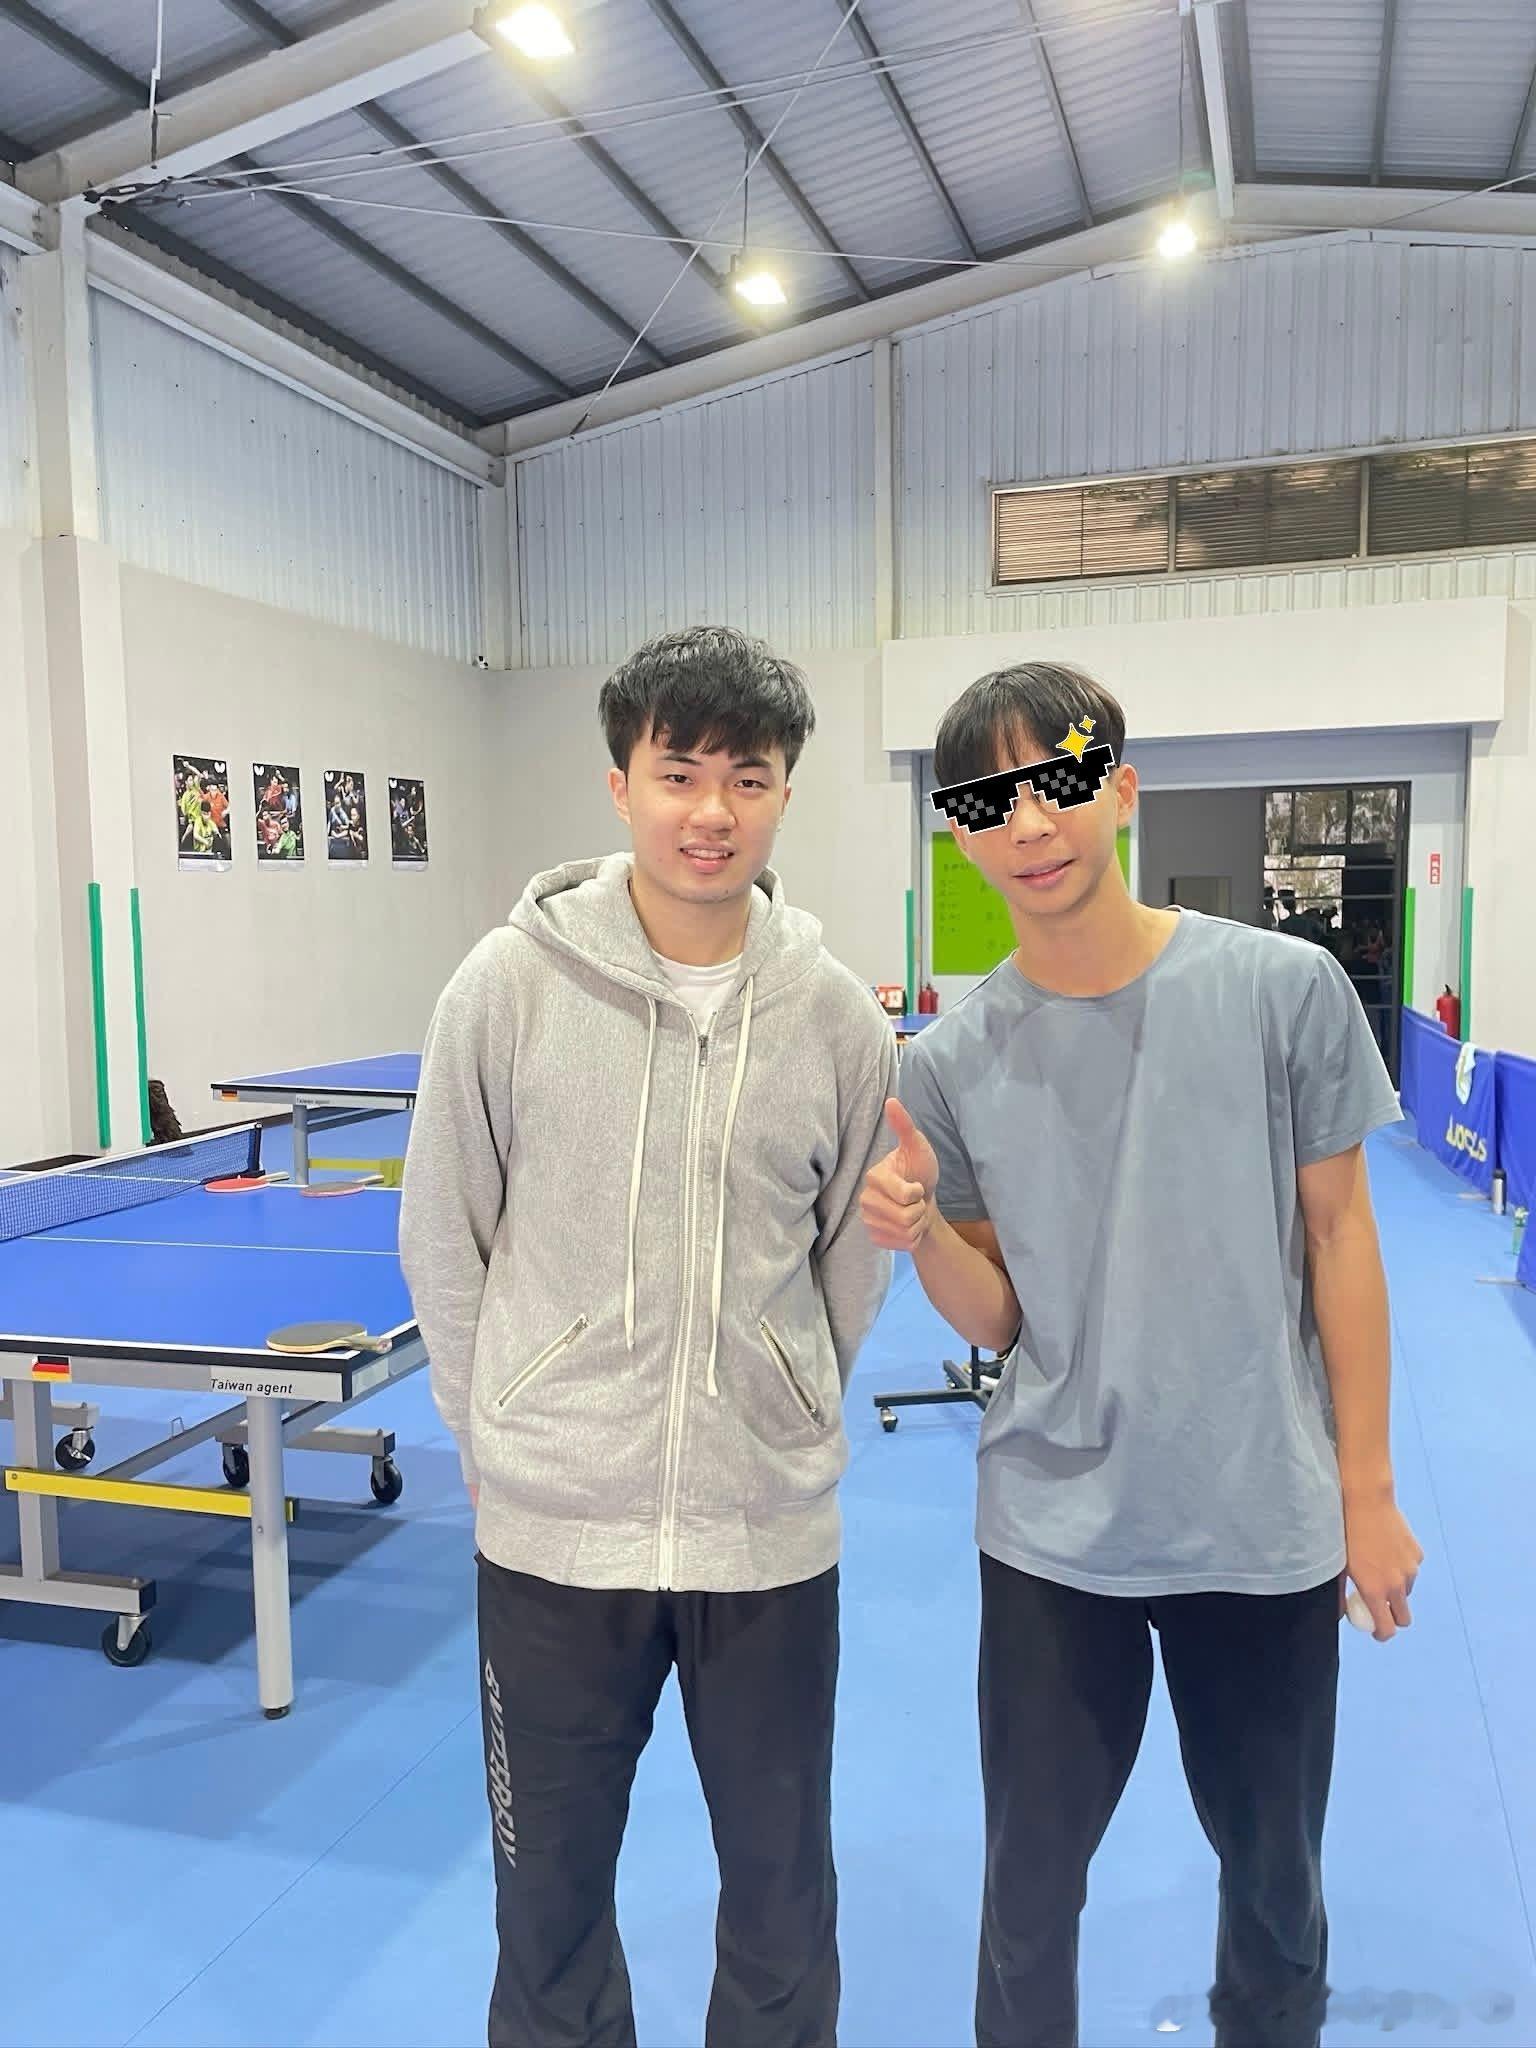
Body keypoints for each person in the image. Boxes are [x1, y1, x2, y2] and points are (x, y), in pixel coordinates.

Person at [859, 660, 1423, 2048]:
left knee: (1276, 1888)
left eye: (1056, 779)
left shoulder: (1282, 989)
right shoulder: (951, 1060)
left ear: (1117, 788)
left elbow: (1343, 1240)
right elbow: (998, 1319)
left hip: (1259, 1521)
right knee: (1028, 1896)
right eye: (987, 802)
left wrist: (1366, 1492)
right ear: (959, 834)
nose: (1028, 824)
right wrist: (920, 1234)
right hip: (1054, 1535)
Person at [399, 625, 897, 2048]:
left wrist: (788, 1403)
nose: (710, 811)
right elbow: (445, 1229)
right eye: (679, 774)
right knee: (547, 1908)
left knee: (784, 1903)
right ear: (621, 784)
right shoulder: (506, 986)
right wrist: (490, 1427)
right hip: (555, 1539)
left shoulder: (835, 1017)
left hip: (765, 1541)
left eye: (748, 778)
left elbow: (849, 1259)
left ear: (785, 793)